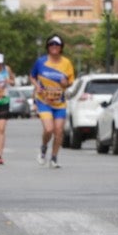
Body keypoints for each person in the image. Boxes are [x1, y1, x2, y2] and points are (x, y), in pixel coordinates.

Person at [31, 35, 74, 168]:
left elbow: (70, 82)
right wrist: (36, 85)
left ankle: (54, 158)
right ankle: (43, 148)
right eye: (51, 44)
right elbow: (32, 76)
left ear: (61, 47)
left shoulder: (66, 63)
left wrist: (65, 83)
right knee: (49, 129)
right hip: (44, 101)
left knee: (59, 131)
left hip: (59, 103)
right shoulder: (41, 62)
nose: (54, 47)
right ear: (47, 47)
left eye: (57, 44)